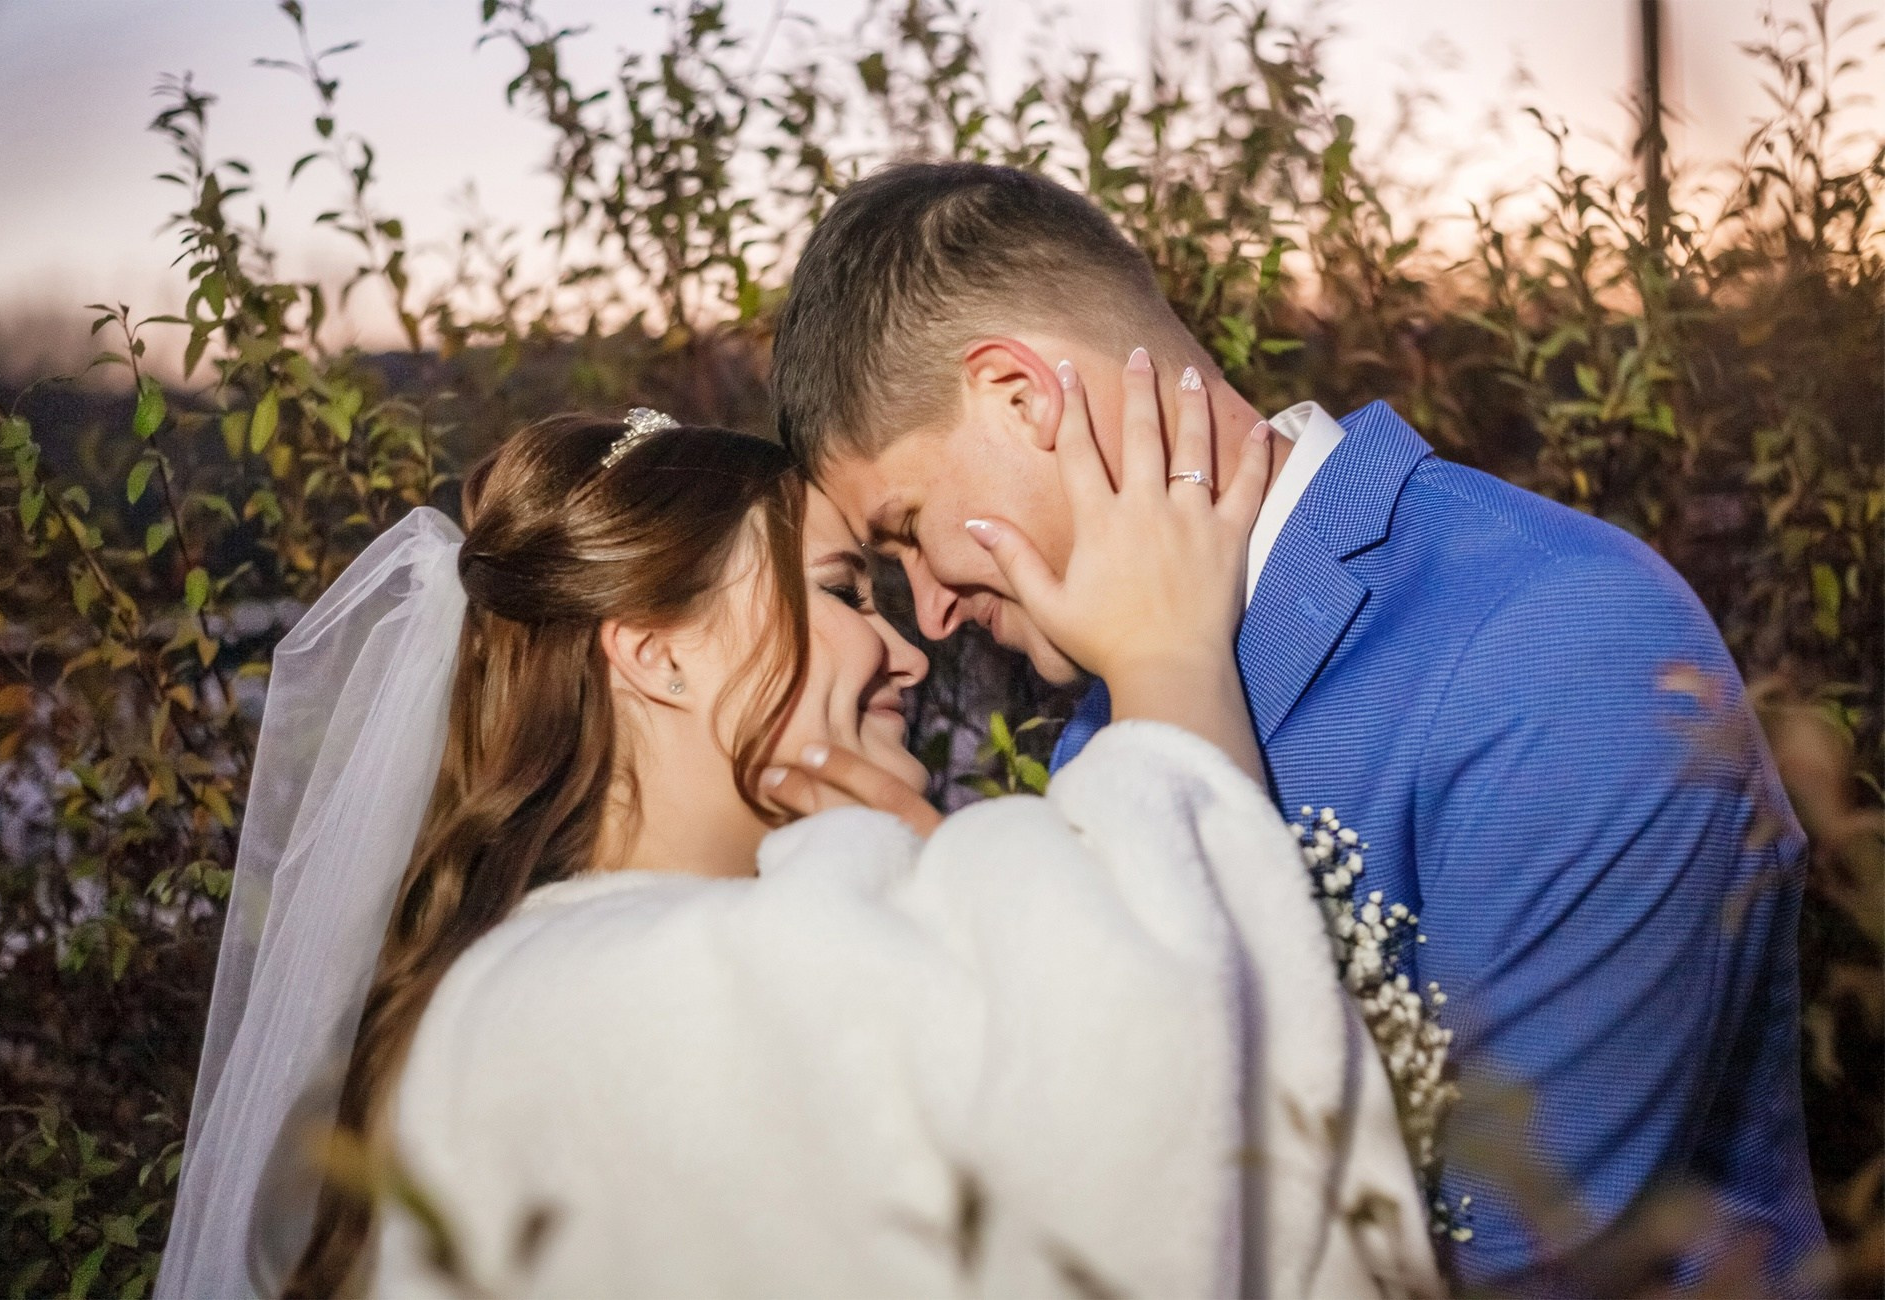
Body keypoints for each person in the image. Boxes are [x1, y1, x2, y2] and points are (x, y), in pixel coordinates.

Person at [767, 160, 1822, 1293]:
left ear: (1021, 398)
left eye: (909, 528)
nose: (926, 608)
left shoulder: (1553, 642)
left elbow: (1531, 1261)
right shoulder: (1123, 705)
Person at [158, 395, 1441, 1298]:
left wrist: (945, 904)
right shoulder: (641, 988)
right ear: (653, 651)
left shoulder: (528, 985)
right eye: (839, 591)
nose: (906, 646)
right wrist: (1167, 659)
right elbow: (1158, 1147)